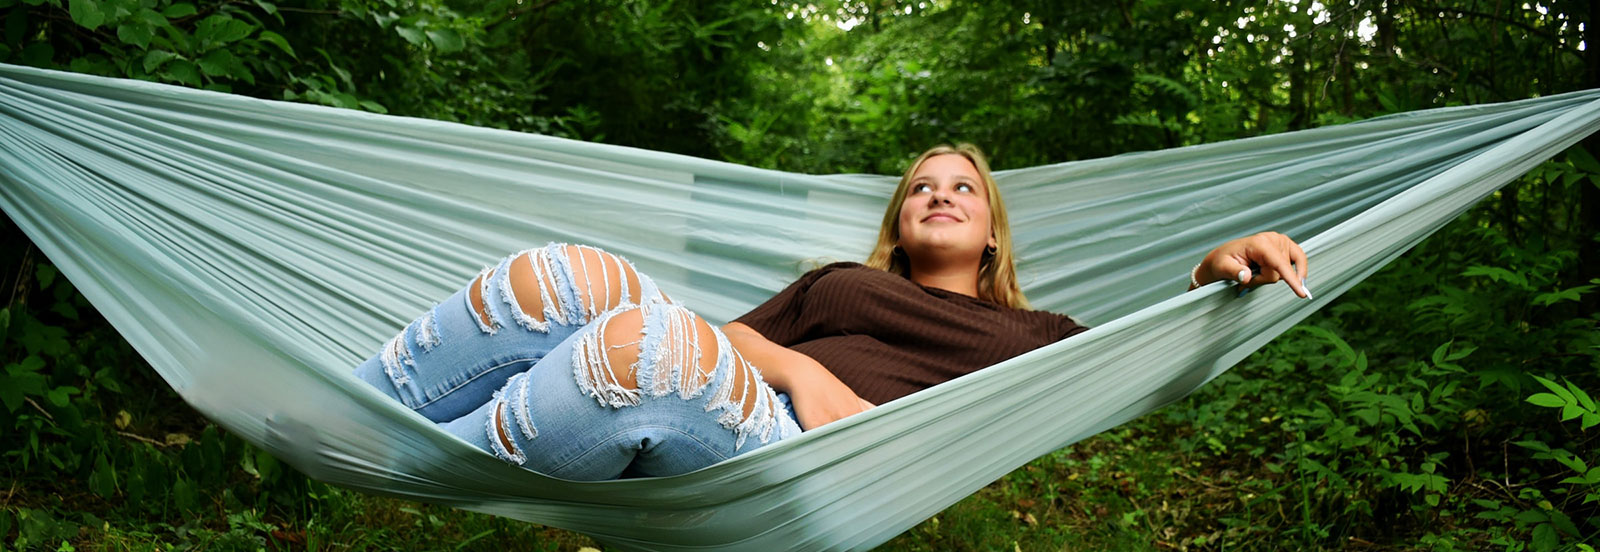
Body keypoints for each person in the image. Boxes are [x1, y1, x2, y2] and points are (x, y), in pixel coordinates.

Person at [354, 143, 1310, 481]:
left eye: (963, 189)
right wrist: (803, 368)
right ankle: (345, 412)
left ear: (990, 237)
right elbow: (731, 337)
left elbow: (1133, 364)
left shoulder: (1041, 335)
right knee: (568, 273)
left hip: (811, 461)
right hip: (757, 394)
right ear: (900, 217)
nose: (940, 194)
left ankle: (381, 450)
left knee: (640, 346)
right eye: (922, 186)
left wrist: (1211, 269)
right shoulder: (838, 282)